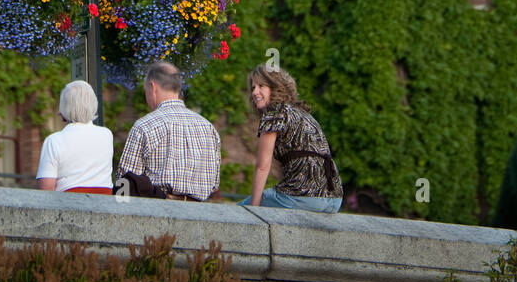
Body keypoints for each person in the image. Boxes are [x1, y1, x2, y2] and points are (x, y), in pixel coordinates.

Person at [114, 60, 220, 201]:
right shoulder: (209, 128)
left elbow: (125, 181)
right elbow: (214, 184)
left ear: (153, 87)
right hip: (200, 214)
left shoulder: (144, 126)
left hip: (157, 211)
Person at [245, 65, 343, 211]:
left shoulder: (274, 113)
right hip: (334, 199)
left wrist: (252, 210)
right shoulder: (302, 113)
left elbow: (262, 166)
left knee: (238, 211)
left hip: (302, 196)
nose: (255, 92)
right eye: (253, 87)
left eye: (261, 86)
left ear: (275, 87)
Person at [36, 80, 114, 194]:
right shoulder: (107, 135)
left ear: (63, 109)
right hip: (104, 203)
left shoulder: (53, 141)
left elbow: (46, 188)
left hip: (69, 204)